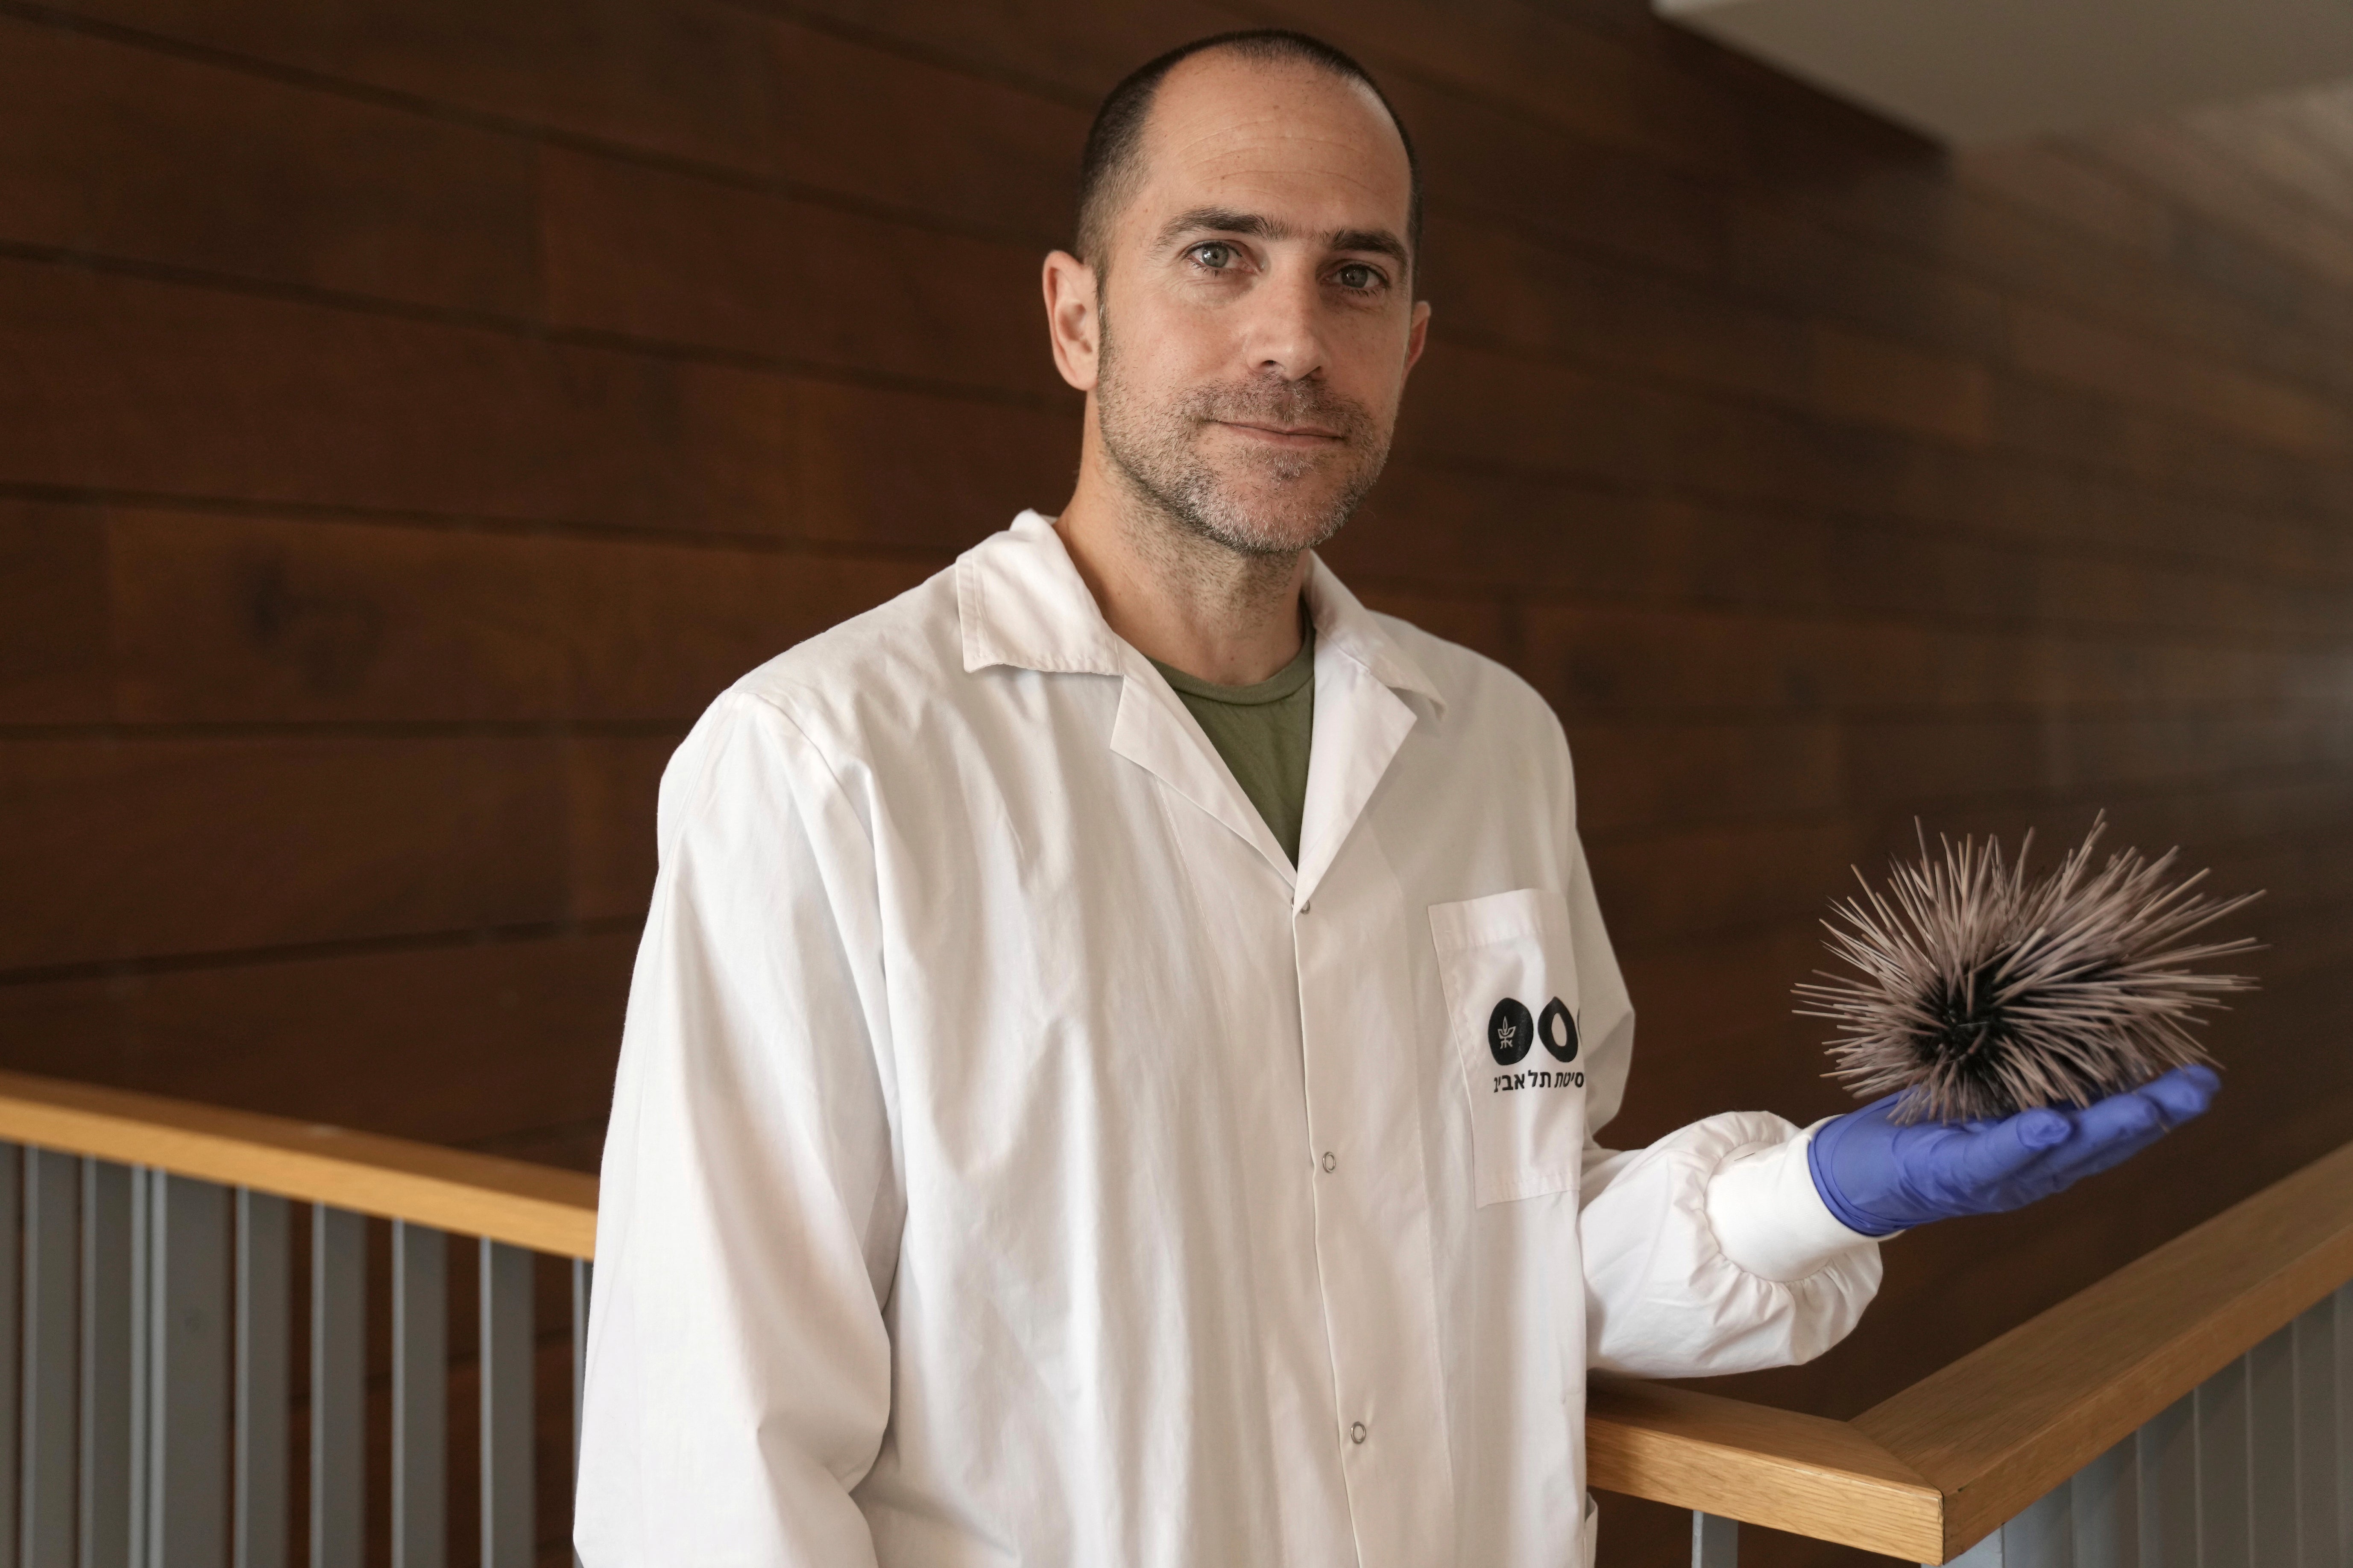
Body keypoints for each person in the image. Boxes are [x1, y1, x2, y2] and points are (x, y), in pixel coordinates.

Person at [573, 29, 2216, 1567]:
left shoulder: (1490, 742)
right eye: (1219, 256)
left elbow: (1496, 1257)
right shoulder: (825, 759)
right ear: (1077, 318)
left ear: (1411, 344)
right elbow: (714, 1451)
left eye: (1355, 276)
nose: (1295, 338)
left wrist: (1820, 1194)